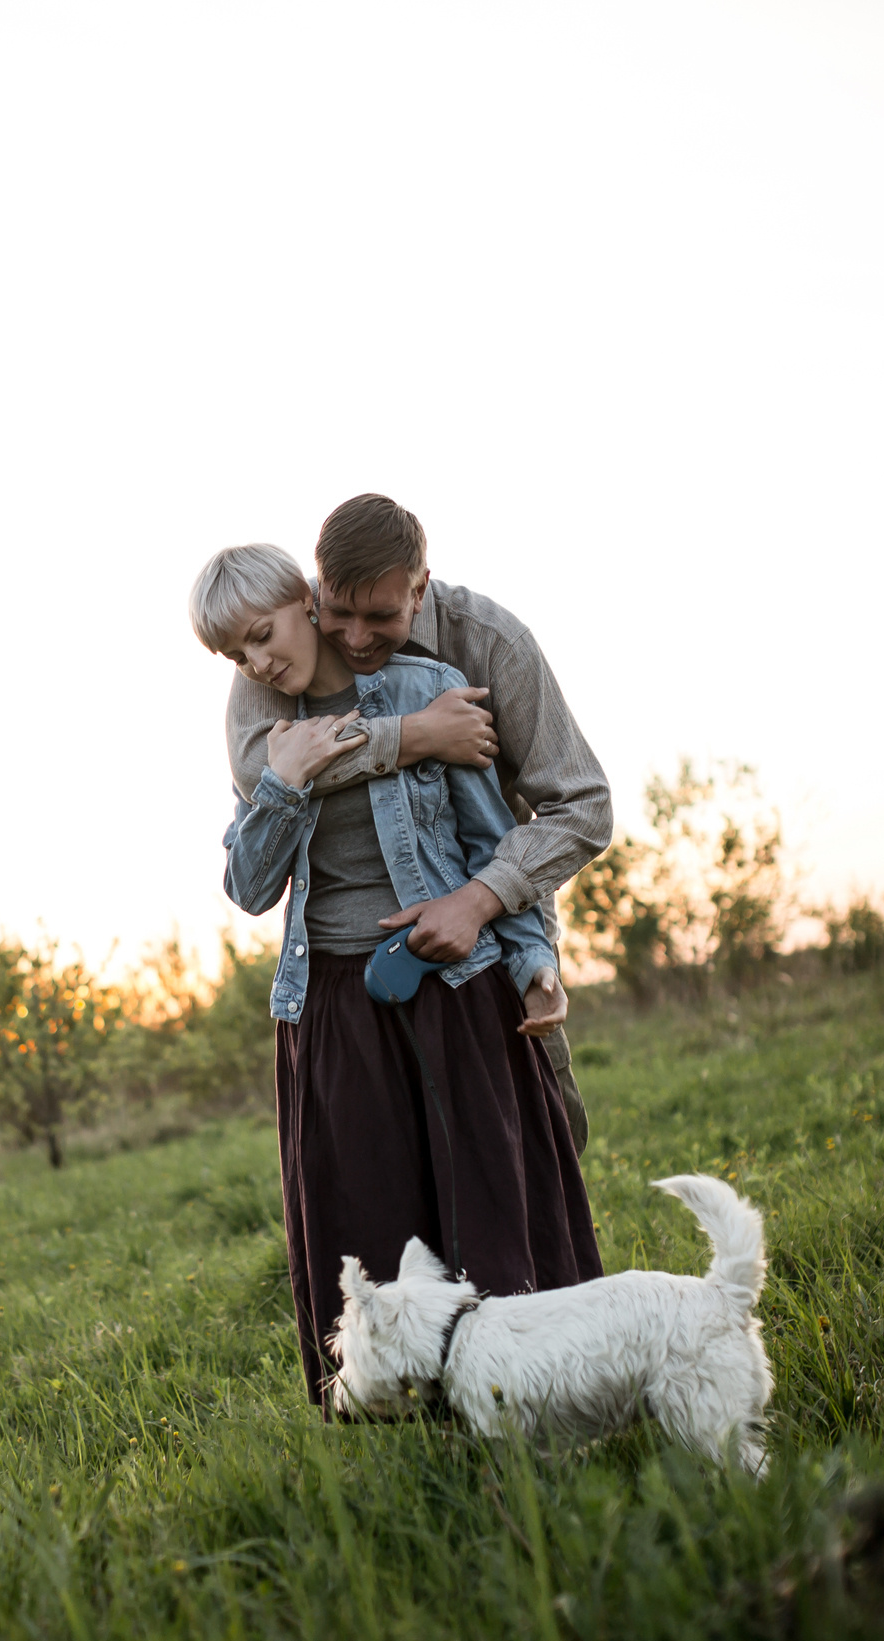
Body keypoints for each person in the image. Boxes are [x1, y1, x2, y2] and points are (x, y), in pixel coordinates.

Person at [192, 541, 602, 1408]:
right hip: (332, 1001)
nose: (256, 660)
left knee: (488, 1209)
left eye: (263, 635)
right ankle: (405, 1423)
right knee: (369, 1219)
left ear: (308, 600)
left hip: (455, 983)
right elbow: (249, 886)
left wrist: (533, 959)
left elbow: (493, 839)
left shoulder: (429, 688)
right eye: (235, 652)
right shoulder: (269, 737)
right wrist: (285, 784)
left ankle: (534, 1400)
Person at [223, 493, 612, 1154]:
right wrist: (416, 735)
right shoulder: (279, 638)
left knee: (539, 1141)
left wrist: (478, 906)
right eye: (338, 613)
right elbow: (259, 771)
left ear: (420, 589)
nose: (354, 638)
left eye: (381, 616)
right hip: (342, 979)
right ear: (315, 593)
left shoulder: (491, 642)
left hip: (490, 930)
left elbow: (584, 806)